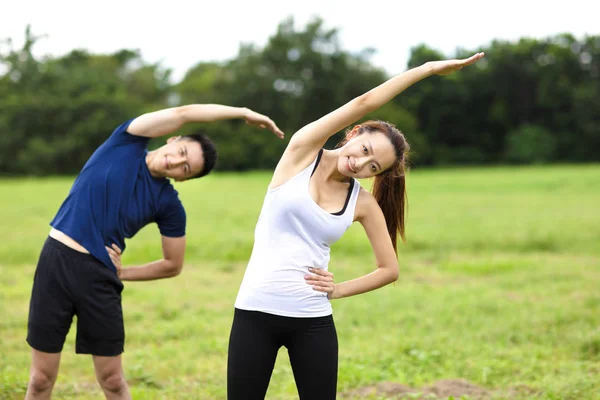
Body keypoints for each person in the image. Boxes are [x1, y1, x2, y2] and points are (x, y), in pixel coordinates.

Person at [227, 52, 485, 399]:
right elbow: (365, 101)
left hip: (312, 322)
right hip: (254, 314)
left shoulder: (361, 202)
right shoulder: (302, 152)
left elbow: (389, 269)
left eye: (373, 166)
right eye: (364, 149)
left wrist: (337, 290)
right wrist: (426, 70)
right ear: (354, 133)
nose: (360, 163)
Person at [24, 104, 284, 400]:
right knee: (40, 380)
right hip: (55, 262)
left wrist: (122, 272)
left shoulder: (168, 204)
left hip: (99, 278)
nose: (175, 162)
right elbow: (184, 113)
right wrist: (241, 113)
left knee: (112, 380)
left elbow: (173, 264)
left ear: (184, 179)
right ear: (173, 140)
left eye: (185, 169)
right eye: (182, 152)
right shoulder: (125, 142)